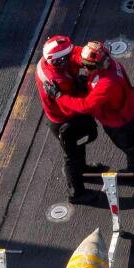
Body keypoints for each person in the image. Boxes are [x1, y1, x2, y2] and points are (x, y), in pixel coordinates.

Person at [47, 41, 134, 201]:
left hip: (121, 124)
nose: (85, 68)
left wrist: (59, 96)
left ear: (97, 65)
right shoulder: (110, 66)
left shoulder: (107, 83)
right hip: (126, 116)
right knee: (132, 148)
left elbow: (85, 106)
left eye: (88, 66)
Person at [35, 35, 99, 203]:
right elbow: (70, 105)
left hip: (60, 117)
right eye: (68, 55)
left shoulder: (46, 62)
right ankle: (77, 193)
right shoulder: (59, 81)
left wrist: (89, 56)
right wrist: (85, 89)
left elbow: (76, 53)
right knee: (72, 157)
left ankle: (83, 170)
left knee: (79, 147)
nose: (73, 55)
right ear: (60, 61)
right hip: (66, 121)